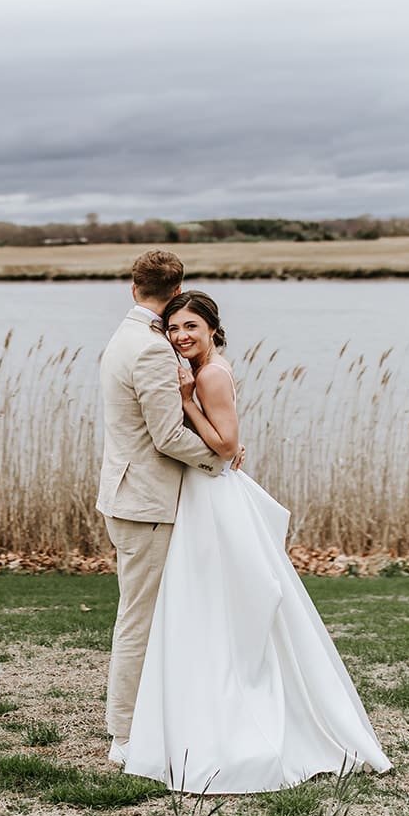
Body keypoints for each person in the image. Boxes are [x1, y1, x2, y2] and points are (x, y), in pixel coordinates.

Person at [122, 289, 392, 793]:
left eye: (191, 328)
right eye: (174, 328)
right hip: (202, 495)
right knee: (206, 601)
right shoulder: (202, 368)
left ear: (211, 330)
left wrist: (185, 402)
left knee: (222, 600)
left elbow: (223, 447)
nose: (181, 336)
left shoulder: (210, 374)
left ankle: (239, 715)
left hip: (213, 495)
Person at [97, 250, 234, 765]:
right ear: (177, 292)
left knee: (152, 615)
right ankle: (125, 733)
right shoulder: (153, 349)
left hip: (132, 495)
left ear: (132, 289)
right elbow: (168, 435)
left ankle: (159, 716)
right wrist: (222, 460)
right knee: (140, 619)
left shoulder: (123, 336)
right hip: (146, 503)